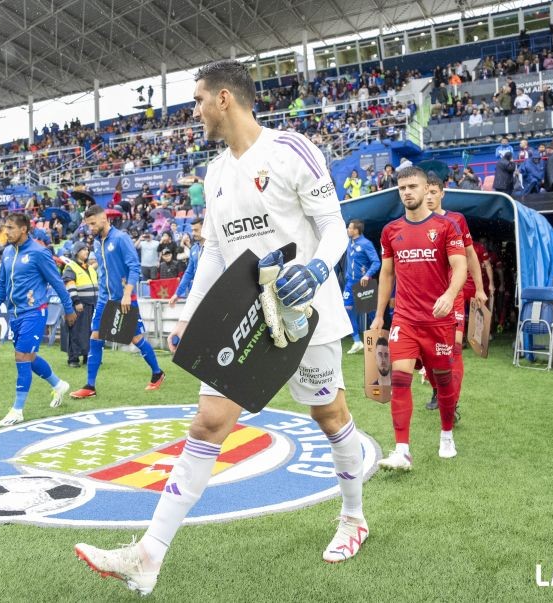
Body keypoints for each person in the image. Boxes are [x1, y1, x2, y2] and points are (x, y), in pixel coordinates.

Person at [74, 60, 367, 594]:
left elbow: (332, 227)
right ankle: (148, 554)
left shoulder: (289, 150)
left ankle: (353, 518)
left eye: (198, 101)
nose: (195, 112)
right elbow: (214, 250)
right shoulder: (213, 173)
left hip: (305, 313)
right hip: (244, 316)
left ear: (224, 98)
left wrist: (318, 268)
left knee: (329, 415)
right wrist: (188, 313)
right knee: (209, 422)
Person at [371, 166, 466, 471]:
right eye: (402, 188)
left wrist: (449, 296)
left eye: (413, 186)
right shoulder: (390, 231)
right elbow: (386, 275)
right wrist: (378, 316)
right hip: (405, 320)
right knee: (399, 381)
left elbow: (459, 267)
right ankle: (402, 450)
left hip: (438, 322)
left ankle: (447, 434)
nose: (407, 192)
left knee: (444, 383)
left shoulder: (446, 227)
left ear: (428, 190)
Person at [0, 213, 77, 426]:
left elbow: (56, 281)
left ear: (24, 229)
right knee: (29, 357)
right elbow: (1, 284)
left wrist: (69, 308)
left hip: (35, 311)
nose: (6, 232)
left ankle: (17, 410)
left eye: (10, 228)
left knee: (21, 356)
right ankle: (58, 384)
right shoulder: (8, 252)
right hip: (15, 314)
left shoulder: (39, 252)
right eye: (5, 228)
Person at [70, 204, 165, 399]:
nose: (91, 228)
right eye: (88, 225)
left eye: (93, 223)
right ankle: (90, 386)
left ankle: (157, 373)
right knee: (95, 336)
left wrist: (127, 293)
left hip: (124, 299)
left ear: (104, 218)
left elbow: (134, 267)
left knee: (135, 339)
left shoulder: (120, 238)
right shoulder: (97, 242)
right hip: (104, 299)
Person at [422, 175, 488, 414]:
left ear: (442, 193)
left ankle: (452, 402)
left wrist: (479, 288)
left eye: (433, 192)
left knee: (454, 350)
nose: (428, 197)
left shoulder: (456, 220)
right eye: (425, 192)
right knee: (430, 353)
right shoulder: (415, 221)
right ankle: (437, 389)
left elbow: (471, 257)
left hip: (454, 296)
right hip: (426, 299)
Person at [344, 219, 380, 354]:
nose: (347, 229)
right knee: (346, 309)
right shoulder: (349, 242)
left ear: (356, 230)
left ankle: (379, 341)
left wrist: (367, 275)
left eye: (349, 228)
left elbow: (376, 262)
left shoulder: (366, 244)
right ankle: (357, 341)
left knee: (372, 313)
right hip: (350, 283)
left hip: (364, 283)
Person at [62, 242, 98, 368]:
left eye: (87, 250)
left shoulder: (89, 268)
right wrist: (76, 302)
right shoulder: (71, 267)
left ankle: (88, 356)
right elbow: (69, 285)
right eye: (84, 250)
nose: (87, 252)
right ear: (76, 252)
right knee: (77, 332)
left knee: (89, 332)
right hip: (79, 305)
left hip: (92, 305)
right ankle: (73, 358)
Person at [169, 218, 204, 306]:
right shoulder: (194, 249)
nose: (193, 233)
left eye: (196, 230)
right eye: (192, 230)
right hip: (198, 291)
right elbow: (189, 273)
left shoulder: (215, 247)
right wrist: (177, 293)